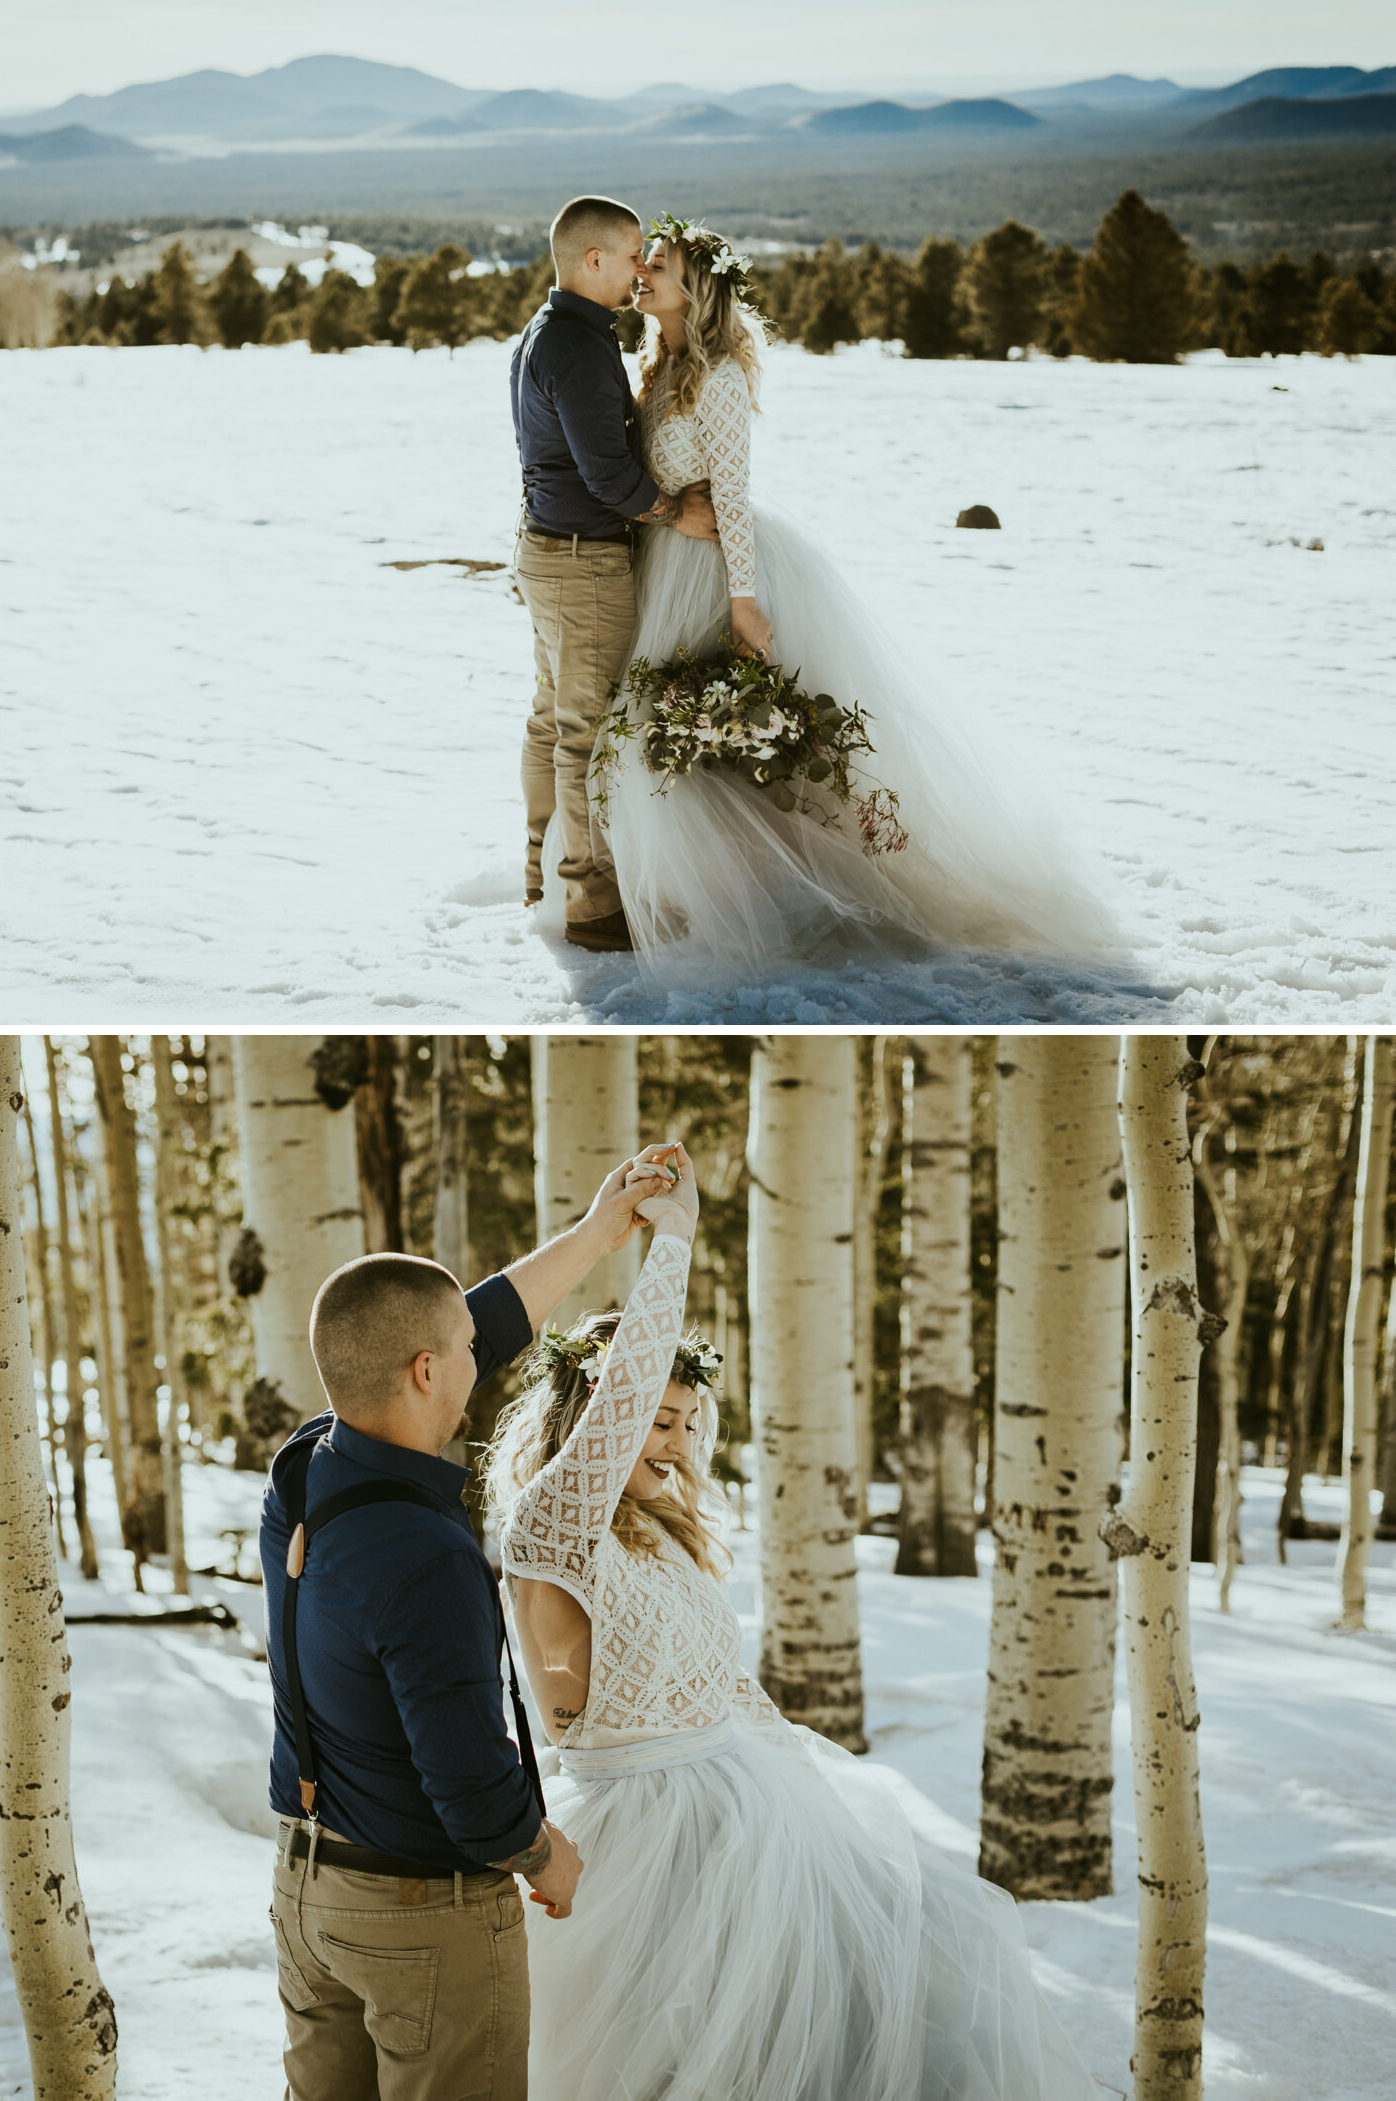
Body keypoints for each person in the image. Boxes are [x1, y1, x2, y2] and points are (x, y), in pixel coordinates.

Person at [485, 1142, 1104, 2101]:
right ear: (599, 1414)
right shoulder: (552, 1528)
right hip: (636, 1846)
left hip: (755, 1823)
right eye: (656, 1417)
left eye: (691, 1422)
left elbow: (725, 1682)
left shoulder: (668, 1537)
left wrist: (812, 1787)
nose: (676, 1442)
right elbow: (622, 1390)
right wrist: (673, 1245)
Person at [595, 216, 1118, 981]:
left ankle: (790, 893)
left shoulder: (722, 379)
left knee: (724, 735)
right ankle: (690, 893)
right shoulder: (656, 365)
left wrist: (745, 602)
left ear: (697, 291)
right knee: (675, 734)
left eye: (659, 266)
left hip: (715, 575)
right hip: (663, 566)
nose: (642, 273)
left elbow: (735, 500)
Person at [259, 1145, 676, 2101]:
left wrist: (594, 1235)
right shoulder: (428, 1557)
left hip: (306, 1891)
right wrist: (544, 1851)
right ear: (421, 1370)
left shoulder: (303, 1468)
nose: (477, 1372)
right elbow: (466, 1777)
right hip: (421, 1918)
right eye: (458, 1363)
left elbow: (463, 1328)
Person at [508, 193, 720, 955]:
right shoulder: (575, 346)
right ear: (592, 260)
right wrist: (676, 515)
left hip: (549, 549)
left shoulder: (553, 330)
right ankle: (592, 904)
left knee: (551, 718)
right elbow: (608, 478)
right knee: (585, 734)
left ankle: (542, 875)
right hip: (581, 559)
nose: (642, 268)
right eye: (633, 254)